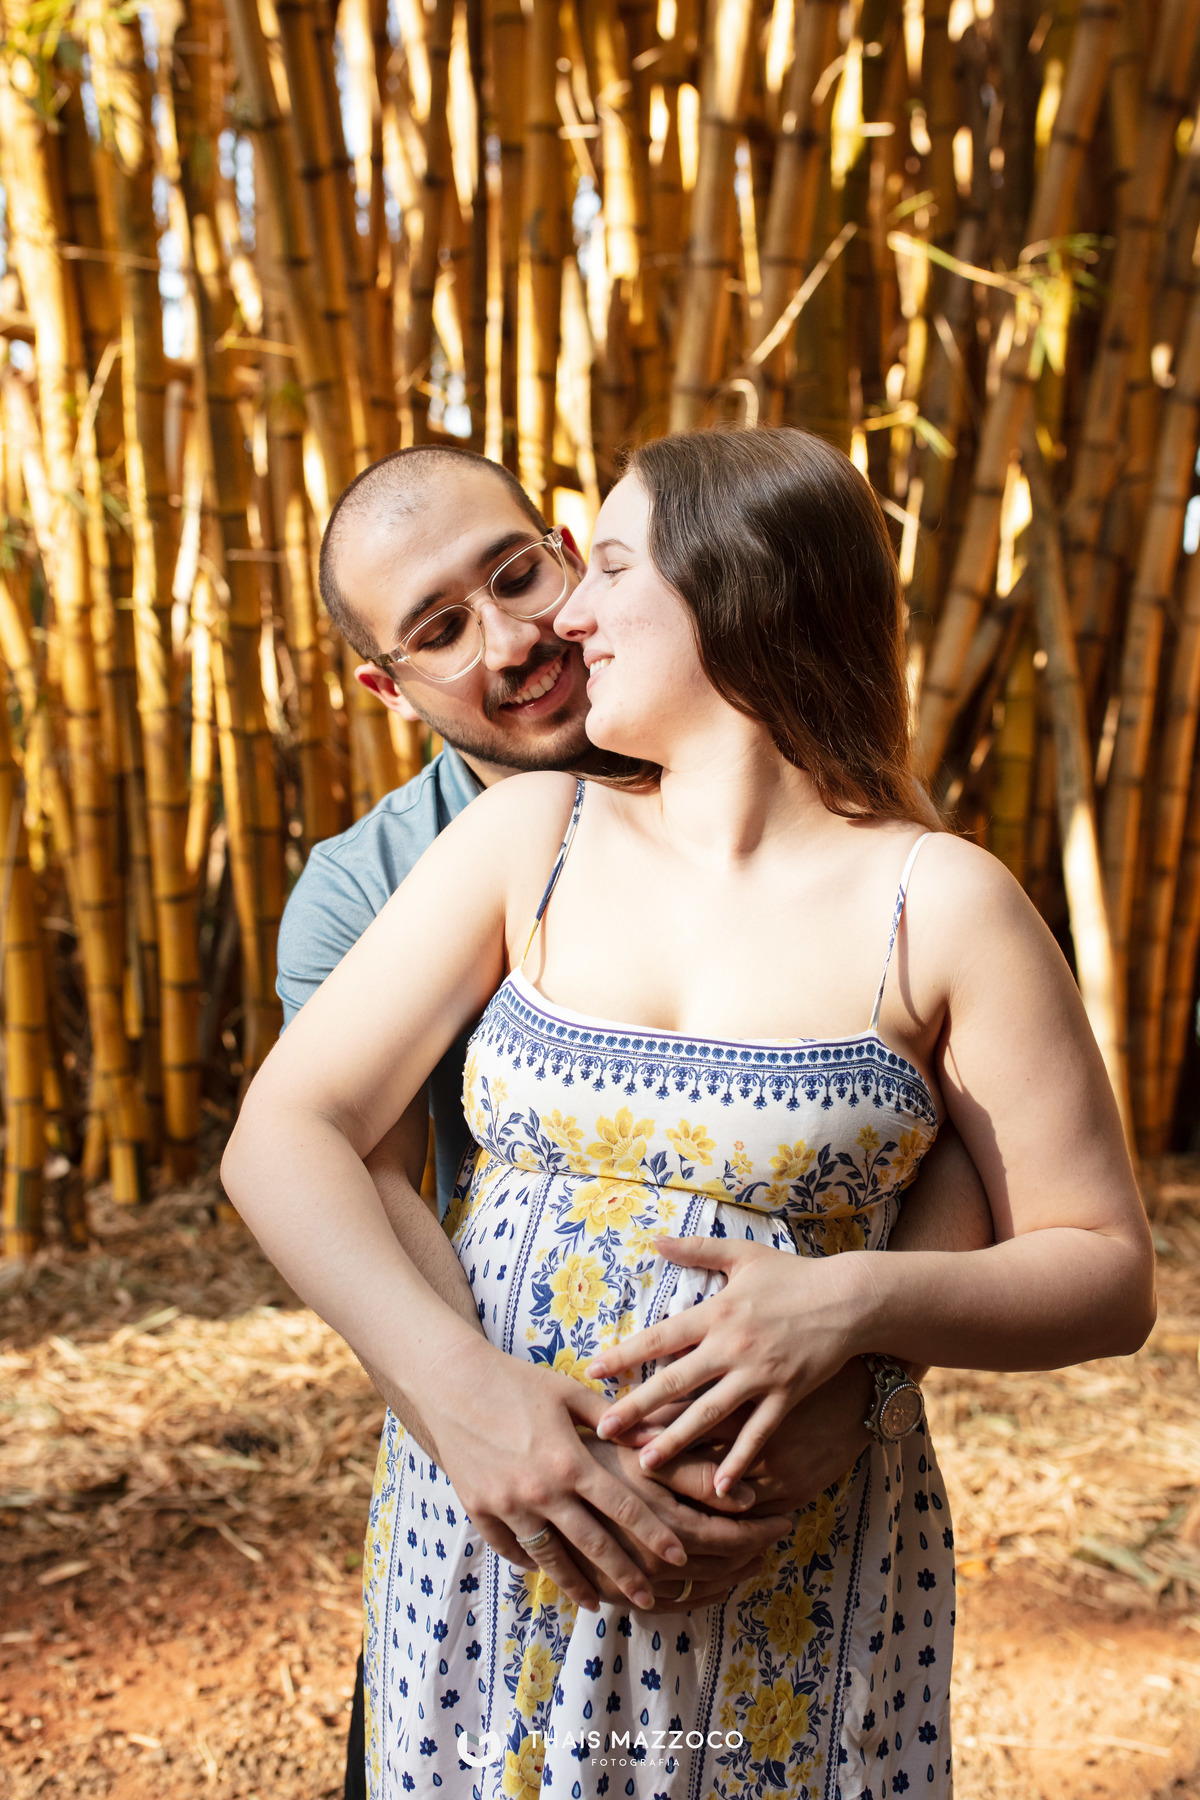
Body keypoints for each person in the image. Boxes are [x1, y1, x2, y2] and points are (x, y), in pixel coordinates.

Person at [231, 428, 1154, 1798]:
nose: (555, 625)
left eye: (566, 569)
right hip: (494, 1533)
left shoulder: (937, 899)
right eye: (443, 626)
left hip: (789, 1561)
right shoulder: (505, 846)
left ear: (733, 595)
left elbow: (1073, 1238)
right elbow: (304, 1142)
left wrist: (854, 1332)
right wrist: (482, 1420)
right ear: (391, 676)